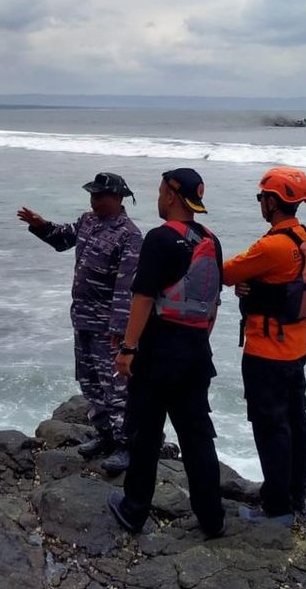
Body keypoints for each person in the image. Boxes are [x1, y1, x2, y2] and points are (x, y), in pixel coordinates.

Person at [108, 168, 226, 538]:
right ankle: (212, 519)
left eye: (160, 191)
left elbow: (142, 297)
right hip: (195, 357)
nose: (158, 198)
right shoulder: (211, 240)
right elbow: (212, 303)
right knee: (197, 438)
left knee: (145, 435)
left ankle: (134, 510)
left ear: (173, 196)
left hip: (157, 358)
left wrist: (127, 348)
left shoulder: (160, 238)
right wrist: (197, 341)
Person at [17, 173, 142, 473]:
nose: (93, 200)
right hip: (83, 318)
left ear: (117, 198)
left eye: (100, 196)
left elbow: (127, 289)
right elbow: (63, 238)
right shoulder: (88, 221)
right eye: (92, 195)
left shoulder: (130, 235)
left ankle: (127, 445)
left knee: (117, 387)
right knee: (90, 382)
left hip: (107, 327)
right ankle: (105, 435)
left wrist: (120, 332)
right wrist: (40, 225)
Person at [222, 166, 306, 524]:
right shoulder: (302, 238)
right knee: (296, 421)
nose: (260, 203)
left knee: (269, 427)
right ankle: (295, 494)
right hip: (296, 350)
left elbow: (227, 272)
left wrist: (246, 285)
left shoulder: (271, 246)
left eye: (262, 197)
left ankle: (277, 506)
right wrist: (255, 287)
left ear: (274, 202)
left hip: (266, 353)